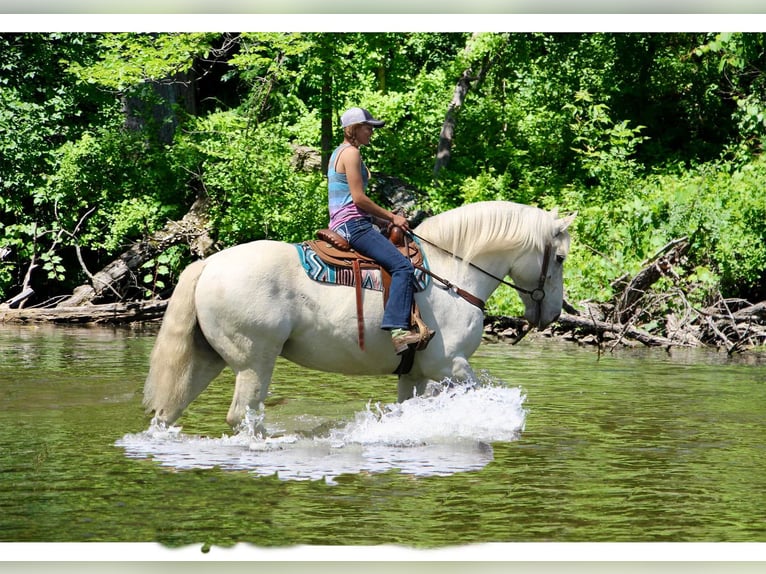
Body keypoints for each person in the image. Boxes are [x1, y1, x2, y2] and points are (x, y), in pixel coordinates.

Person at [327, 107, 432, 354]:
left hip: (350, 220)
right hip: (353, 225)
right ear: (352, 129)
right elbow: (358, 199)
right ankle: (398, 331)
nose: (371, 131)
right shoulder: (351, 153)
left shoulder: (339, 152)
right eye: (367, 127)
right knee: (403, 266)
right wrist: (392, 215)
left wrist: (384, 222)